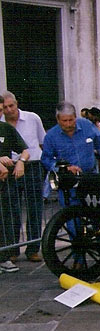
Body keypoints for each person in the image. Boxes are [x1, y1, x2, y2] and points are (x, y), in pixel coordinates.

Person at [1, 91, 46, 263]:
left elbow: (42, 141)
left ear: (16, 103)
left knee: (35, 208)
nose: (8, 109)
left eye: (11, 105)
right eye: (4, 107)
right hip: (8, 168)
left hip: (32, 166)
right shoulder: (1, 123)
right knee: (11, 210)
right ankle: (12, 249)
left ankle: (33, 248)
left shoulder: (32, 118)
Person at [41, 102, 100, 209]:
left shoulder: (86, 125)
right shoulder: (51, 136)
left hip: (90, 177)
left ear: (75, 117)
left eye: (71, 120)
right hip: (68, 182)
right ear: (58, 120)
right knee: (71, 213)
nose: (68, 124)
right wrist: (63, 168)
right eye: (64, 121)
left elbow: (99, 138)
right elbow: (46, 159)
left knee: (95, 210)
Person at [0, 118, 30, 273]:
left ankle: (4, 257)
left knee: (6, 218)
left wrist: (21, 162)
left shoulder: (6, 128)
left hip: (5, 185)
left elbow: (25, 150)